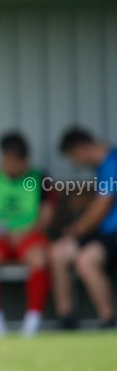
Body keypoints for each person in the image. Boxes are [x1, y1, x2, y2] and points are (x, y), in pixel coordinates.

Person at [0, 132, 55, 337]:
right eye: (11, 160)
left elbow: (46, 217)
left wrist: (24, 232)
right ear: (4, 156)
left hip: (30, 236)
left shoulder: (40, 178)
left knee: (39, 258)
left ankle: (32, 322)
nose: (16, 165)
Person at [51, 127, 117, 328]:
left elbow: (103, 204)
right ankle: (66, 318)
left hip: (113, 234)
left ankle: (108, 320)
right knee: (58, 252)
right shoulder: (102, 165)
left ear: (80, 149)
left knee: (86, 261)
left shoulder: (112, 162)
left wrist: (78, 228)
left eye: (72, 156)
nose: (73, 162)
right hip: (103, 233)